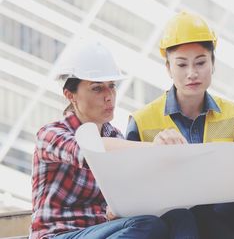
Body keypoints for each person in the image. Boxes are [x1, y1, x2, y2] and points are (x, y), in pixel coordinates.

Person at [30, 39, 198, 239]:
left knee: (180, 217)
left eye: (112, 86)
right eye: (97, 88)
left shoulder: (115, 136)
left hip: (103, 232)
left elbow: (128, 194)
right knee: (147, 225)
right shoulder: (50, 135)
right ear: (70, 95)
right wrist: (155, 147)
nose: (109, 96)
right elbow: (91, 150)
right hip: (59, 234)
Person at [126, 11, 234, 239]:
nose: (192, 73)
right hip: (172, 227)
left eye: (200, 62)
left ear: (213, 63)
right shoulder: (141, 121)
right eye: (181, 65)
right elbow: (130, 190)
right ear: (168, 68)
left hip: (228, 226)